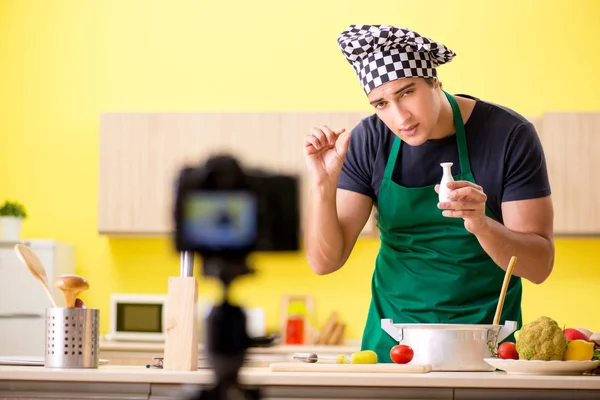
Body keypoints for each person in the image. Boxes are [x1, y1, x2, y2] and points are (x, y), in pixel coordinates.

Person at [303, 24, 555, 363]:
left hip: (486, 351)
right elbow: (324, 262)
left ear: (435, 81)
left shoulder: (508, 136)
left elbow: (539, 266)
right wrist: (323, 185)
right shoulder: (370, 140)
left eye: (407, 92)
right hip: (392, 350)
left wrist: (481, 224)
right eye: (381, 103)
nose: (399, 116)